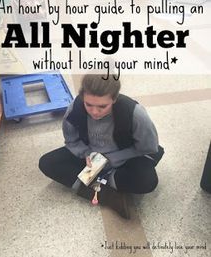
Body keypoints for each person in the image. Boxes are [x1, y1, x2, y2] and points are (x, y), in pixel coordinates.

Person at [39, 74, 164, 219]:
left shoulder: (134, 113)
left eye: (102, 106)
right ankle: (109, 196)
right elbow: (71, 140)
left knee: (147, 182)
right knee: (47, 163)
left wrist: (113, 159)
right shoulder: (76, 107)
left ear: (114, 99)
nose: (94, 112)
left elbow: (148, 147)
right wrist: (86, 154)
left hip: (124, 158)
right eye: (89, 105)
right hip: (91, 157)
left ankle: (97, 184)